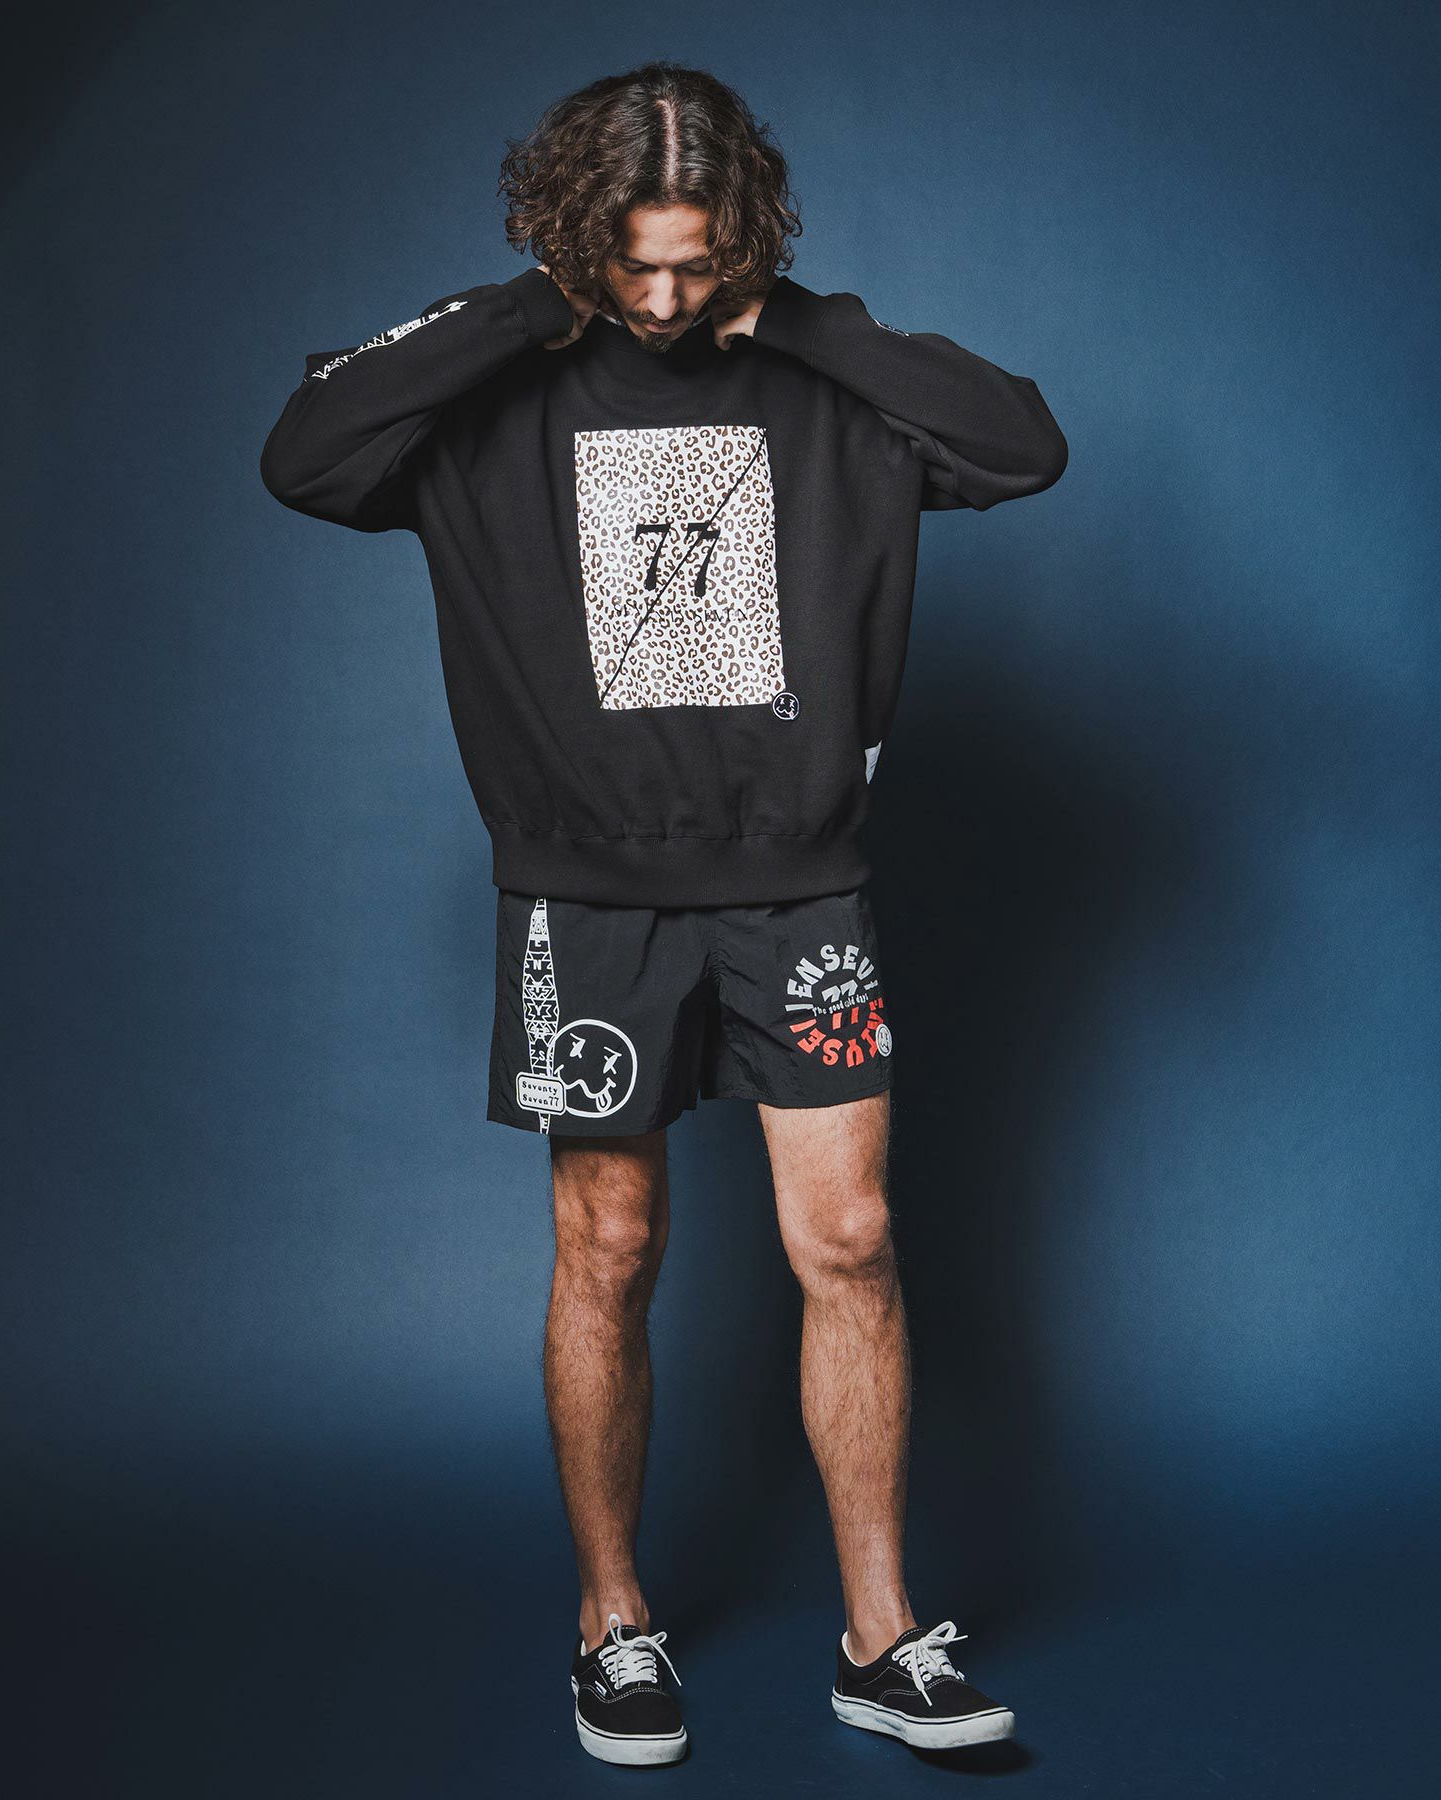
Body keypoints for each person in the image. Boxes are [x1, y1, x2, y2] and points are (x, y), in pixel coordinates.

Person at [261, 60, 1066, 1768]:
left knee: (850, 1240)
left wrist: (804, 320)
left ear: (745, 240)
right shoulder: (501, 378)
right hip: (588, 897)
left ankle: (880, 1636)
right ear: (575, 237)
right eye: (632, 262)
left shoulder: (815, 374)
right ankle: (613, 1623)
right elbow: (305, 454)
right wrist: (522, 312)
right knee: (610, 1246)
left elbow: (1023, 443)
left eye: (698, 263)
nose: (663, 298)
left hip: (801, 885)